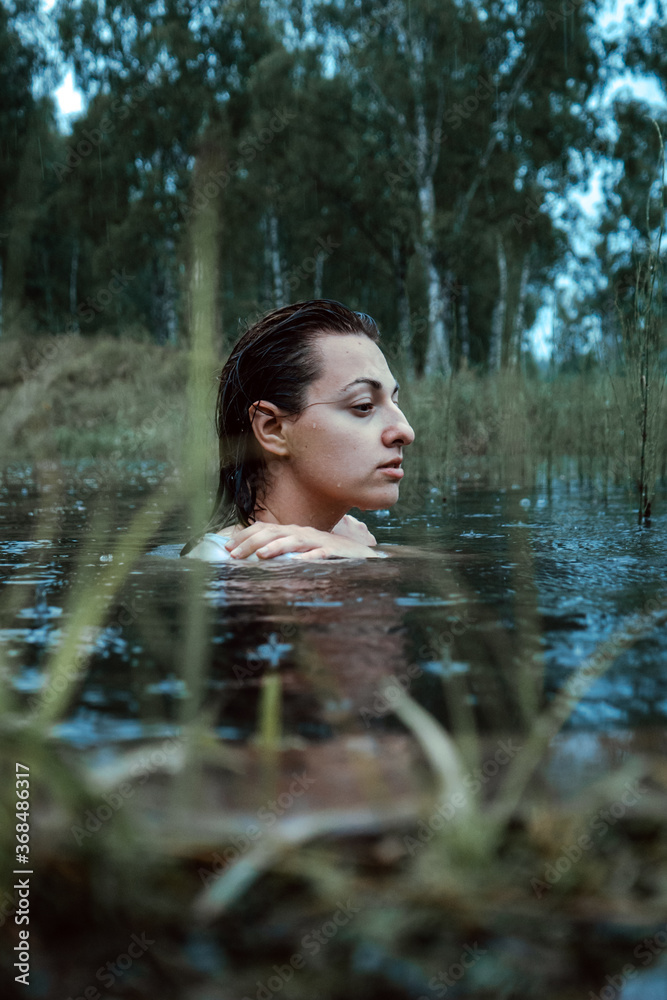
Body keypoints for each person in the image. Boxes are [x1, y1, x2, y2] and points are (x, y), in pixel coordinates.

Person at [181, 298, 415, 561]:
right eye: (363, 406)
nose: (405, 431)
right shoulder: (229, 561)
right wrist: (366, 559)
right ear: (273, 429)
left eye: (394, 402)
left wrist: (360, 551)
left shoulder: (346, 544)